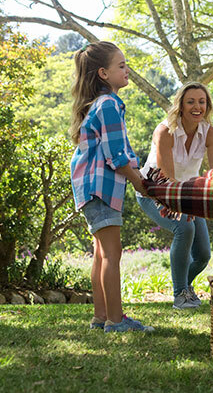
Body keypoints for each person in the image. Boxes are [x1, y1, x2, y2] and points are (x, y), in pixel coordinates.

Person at [70, 41, 154, 333]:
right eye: (121, 65)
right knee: (112, 253)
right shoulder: (109, 105)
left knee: (101, 253)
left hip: (91, 188)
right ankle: (116, 321)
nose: (127, 69)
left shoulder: (101, 105)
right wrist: (140, 184)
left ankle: (101, 317)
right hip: (100, 187)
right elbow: (117, 156)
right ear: (104, 73)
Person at [137, 82, 213, 309]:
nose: (197, 107)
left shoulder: (211, 134)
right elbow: (167, 177)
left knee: (203, 254)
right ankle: (180, 295)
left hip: (187, 195)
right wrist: (186, 206)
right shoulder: (165, 131)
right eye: (191, 101)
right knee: (184, 228)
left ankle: (185, 287)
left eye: (202, 102)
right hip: (155, 191)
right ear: (181, 106)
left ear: (208, 106)